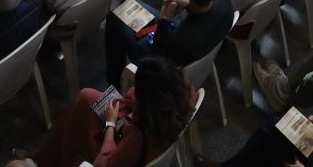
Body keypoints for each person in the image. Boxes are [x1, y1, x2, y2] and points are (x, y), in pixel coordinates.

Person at [29, 56, 197, 167]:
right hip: (135, 124)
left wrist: (110, 125)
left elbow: (104, 164)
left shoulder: (136, 137)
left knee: (79, 125)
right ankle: (43, 157)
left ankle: (43, 160)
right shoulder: (183, 93)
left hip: (117, 146)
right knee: (86, 97)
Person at [104, 0, 234, 80]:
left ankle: (114, 86)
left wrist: (164, 20)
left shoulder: (179, 41)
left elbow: (156, 60)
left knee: (114, 19)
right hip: (195, 47)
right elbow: (208, 8)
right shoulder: (226, 2)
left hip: (160, 62)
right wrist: (188, 1)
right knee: (131, 6)